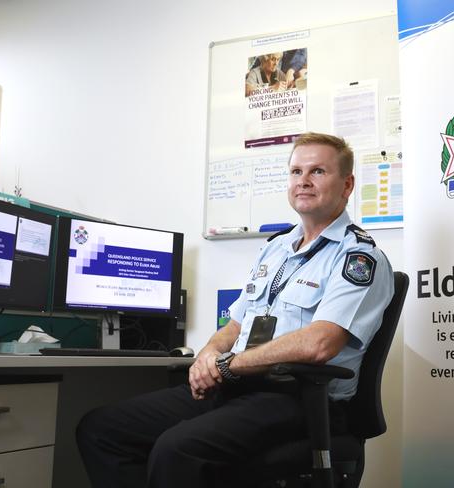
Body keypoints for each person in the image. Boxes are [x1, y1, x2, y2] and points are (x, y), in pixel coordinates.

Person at [76, 132, 394, 488]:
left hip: (299, 399)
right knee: (102, 428)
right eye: (295, 172)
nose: (303, 181)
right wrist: (208, 356)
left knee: (176, 450)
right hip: (239, 387)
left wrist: (228, 365)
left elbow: (320, 343)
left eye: (318, 171)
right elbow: (235, 325)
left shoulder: (358, 258)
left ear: (347, 184)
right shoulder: (275, 250)